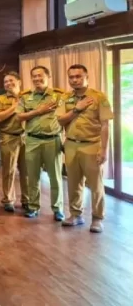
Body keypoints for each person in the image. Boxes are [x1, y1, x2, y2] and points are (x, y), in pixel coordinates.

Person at [56, 64, 113, 233]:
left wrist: (103, 150)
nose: (74, 80)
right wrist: (76, 109)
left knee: (96, 185)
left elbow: (105, 125)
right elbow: (60, 120)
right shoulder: (65, 98)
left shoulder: (98, 97)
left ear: (86, 77)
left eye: (78, 76)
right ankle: (75, 215)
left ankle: (97, 218)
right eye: (71, 77)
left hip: (92, 145)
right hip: (71, 144)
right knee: (73, 183)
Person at [15, 66, 65, 220]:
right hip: (32, 140)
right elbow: (19, 117)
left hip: (52, 140)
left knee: (55, 177)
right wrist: (38, 111)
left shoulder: (58, 96)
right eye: (34, 76)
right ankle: (33, 206)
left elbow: (65, 116)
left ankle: (58, 209)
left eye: (40, 76)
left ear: (48, 76)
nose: (37, 79)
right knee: (32, 176)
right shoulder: (25, 97)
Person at [0, 72, 29, 213]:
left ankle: (27, 199)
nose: (8, 83)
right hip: (8, 137)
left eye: (11, 80)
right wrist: (14, 107)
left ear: (19, 81)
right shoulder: (0, 99)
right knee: (9, 170)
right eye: (5, 81)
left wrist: (19, 100)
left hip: (26, 137)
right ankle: (8, 199)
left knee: (27, 171)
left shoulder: (28, 96)